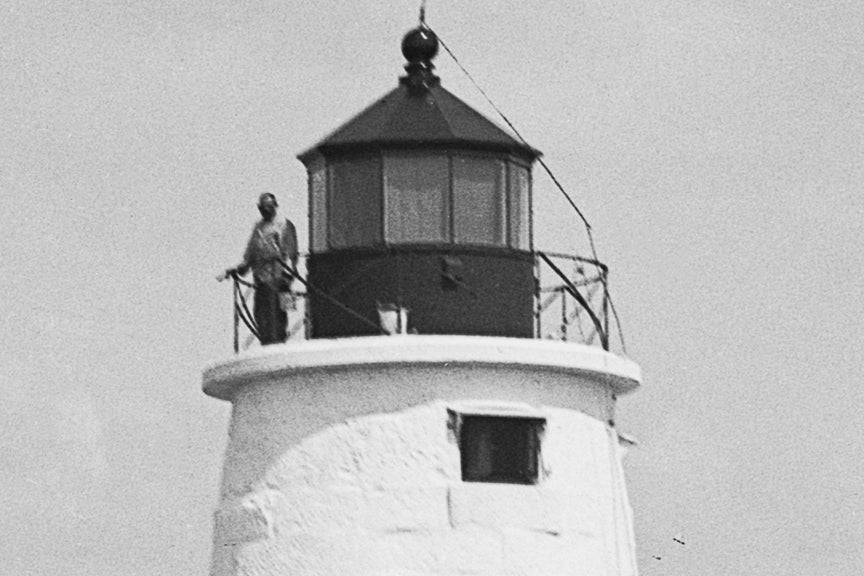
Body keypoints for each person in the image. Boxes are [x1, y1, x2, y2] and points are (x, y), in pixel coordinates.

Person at [224, 193, 298, 345]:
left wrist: (288, 278)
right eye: (262, 208)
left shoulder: (284, 225)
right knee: (261, 316)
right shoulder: (258, 227)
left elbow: (292, 254)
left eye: (269, 207)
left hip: (280, 279)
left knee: (279, 317)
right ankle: (266, 343)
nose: (265, 210)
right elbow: (250, 255)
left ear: (275, 206)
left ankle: (279, 343)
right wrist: (238, 269)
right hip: (262, 280)